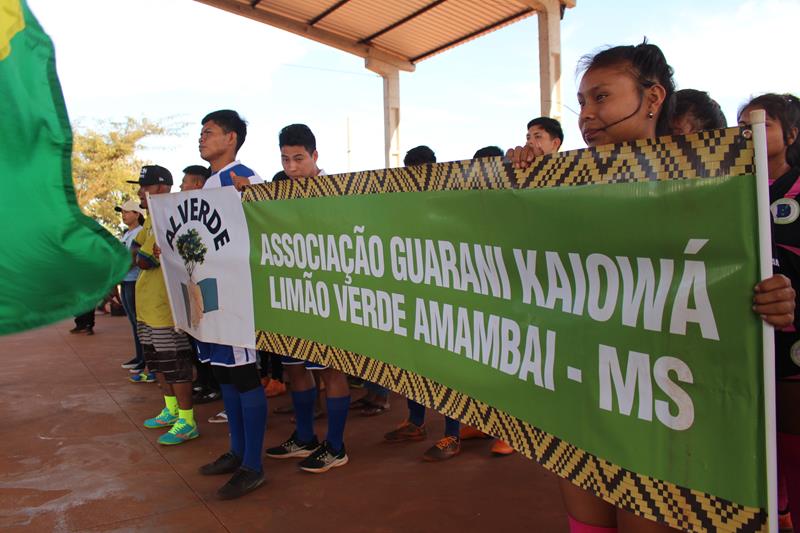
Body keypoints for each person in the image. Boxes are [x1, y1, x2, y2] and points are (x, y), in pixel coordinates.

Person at [508, 41, 795, 533]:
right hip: (581, 390)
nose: (586, 115)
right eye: (581, 102)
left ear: (653, 98)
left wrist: (777, 297)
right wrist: (519, 188)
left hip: (664, 404)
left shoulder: (715, 180)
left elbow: (737, 280)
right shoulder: (564, 182)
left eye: (601, 97)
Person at [265, 124, 351, 473]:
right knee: (294, 367)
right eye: (285, 159)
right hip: (291, 297)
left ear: (315, 156)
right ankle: (304, 437)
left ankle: (336, 446)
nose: (292, 167)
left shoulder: (338, 193)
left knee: (331, 370)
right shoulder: (278, 195)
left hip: (328, 297)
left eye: (299, 159)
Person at [193, 109, 268, 500]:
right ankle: (238, 451)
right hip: (211, 297)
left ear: (232, 139)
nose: (201, 138)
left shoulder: (243, 178)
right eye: (201, 132)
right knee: (224, 374)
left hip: (236, 298)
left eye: (209, 132)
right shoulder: (209, 183)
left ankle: (253, 466)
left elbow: (267, 219)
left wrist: (251, 194)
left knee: (242, 375)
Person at [739, 93, 800, 531]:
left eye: (763, 125)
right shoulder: (734, 192)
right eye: (743, 125)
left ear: (791, 135)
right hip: (745, 357)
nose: (751, 134)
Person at [382, 145, 463, 461]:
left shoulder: (448, 206)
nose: (415, 176)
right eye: (410, 170)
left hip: (443, 303)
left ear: (434, 169)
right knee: (413, 364)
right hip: (411, 301)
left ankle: (452, 435)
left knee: (445, 369)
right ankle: (415, 422)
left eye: (421, 170)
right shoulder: (402, 207)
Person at [129, 165, 199, 446]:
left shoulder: (169, 216)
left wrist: (144, 255)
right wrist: (142, 255)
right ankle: (170, 410)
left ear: (160, 187)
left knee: (175, 363)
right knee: (156, 361)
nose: (139, 192)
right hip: (147, 305)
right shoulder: (149, 219)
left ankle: (187, 419)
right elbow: (135, 251)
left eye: (144, 187)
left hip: (166, 306)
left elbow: (144, 260)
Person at [117, 199, 147, 374]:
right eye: (123, 212)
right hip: (126, 280)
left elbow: (133, 259)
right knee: (133, 322)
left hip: (134, 280)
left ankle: (144, 359)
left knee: (139, 322)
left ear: (137, 214)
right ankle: (139, 356)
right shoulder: (126, 234)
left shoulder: (139, 232)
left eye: (127, 212)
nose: (124, 215)